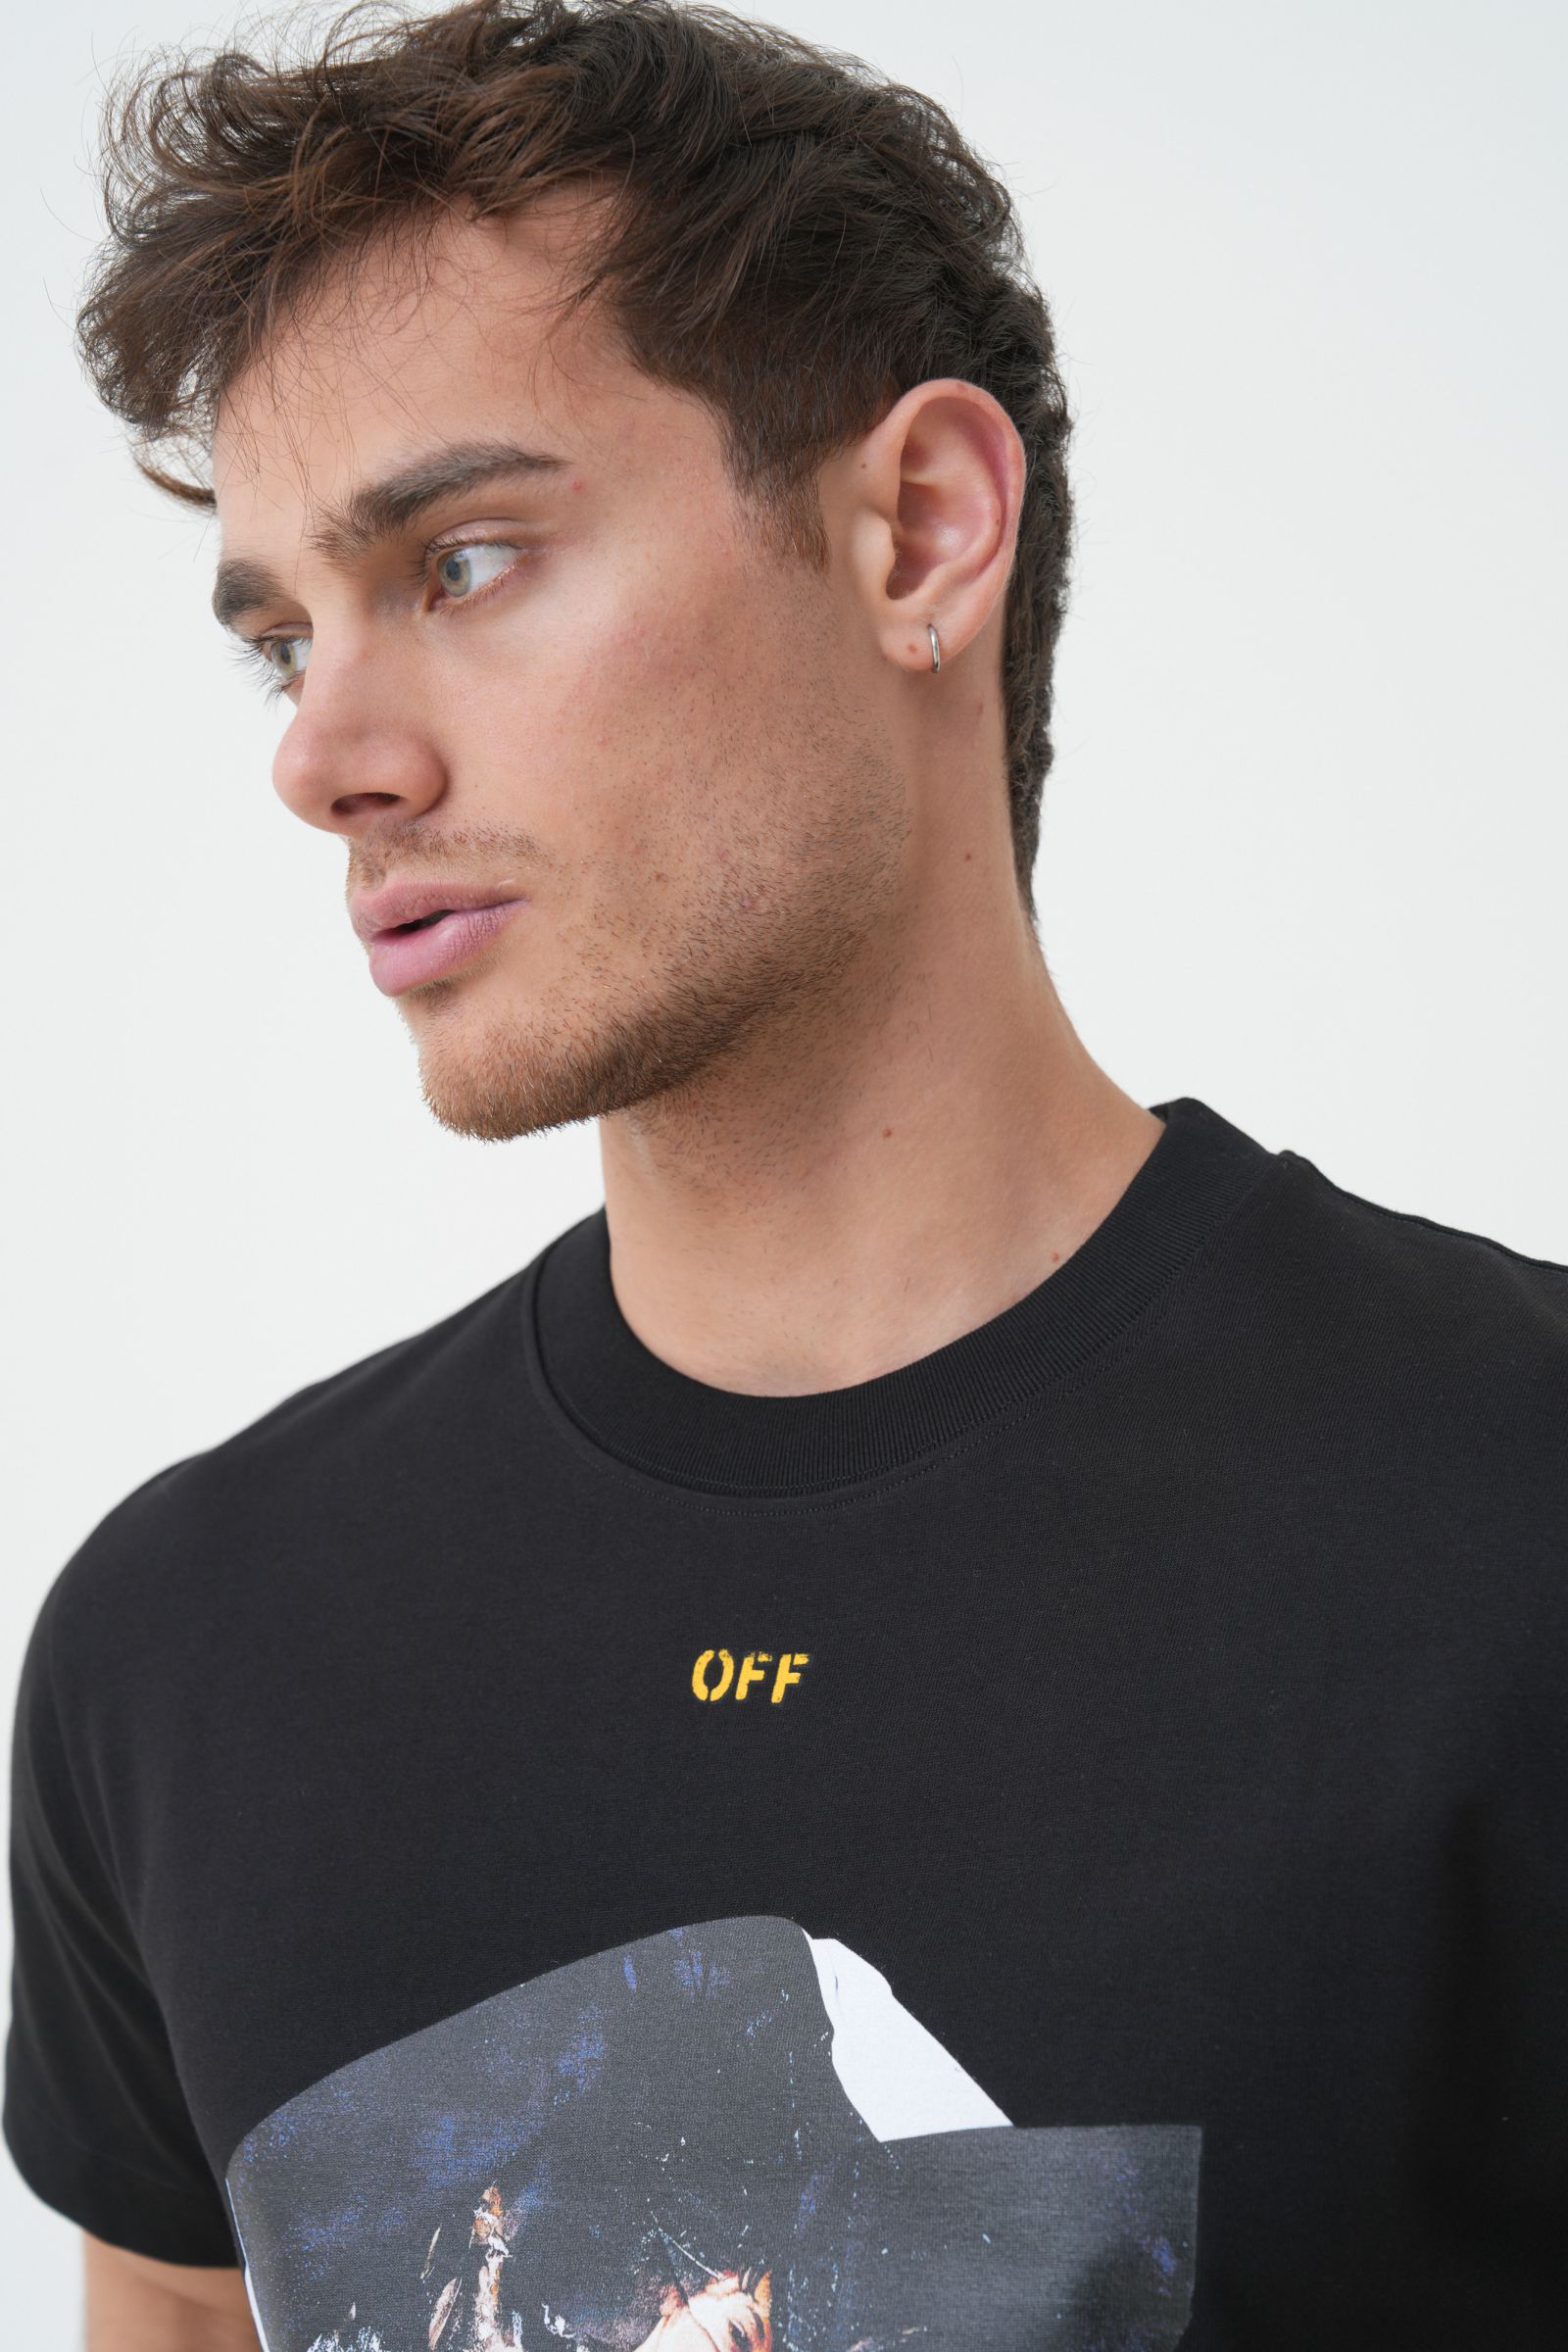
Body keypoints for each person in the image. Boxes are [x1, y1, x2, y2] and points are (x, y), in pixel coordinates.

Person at [4, 1, 1564, 2346]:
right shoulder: (178, 1656)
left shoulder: (1511, 1516)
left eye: (462, 560)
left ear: (915, 532)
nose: (323, 755)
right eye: (282, 641)